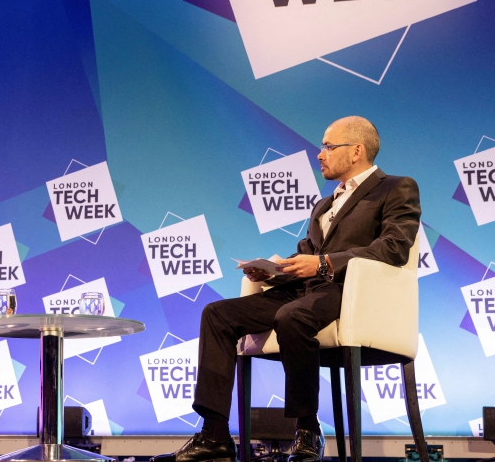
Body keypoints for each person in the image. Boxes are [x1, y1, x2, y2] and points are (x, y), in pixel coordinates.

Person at [151, 117, 421, 462]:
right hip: (304, 291)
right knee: (217, 314)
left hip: (351, 295)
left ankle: (308, 429)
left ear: (356, 151)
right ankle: (214, 434)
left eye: (328, 146)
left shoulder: (396, 187)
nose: (320, 155)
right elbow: (306, 257)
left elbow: (394, 248)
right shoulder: (324, 205)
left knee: (292, 316)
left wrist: (323, 263)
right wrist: (272, 272)